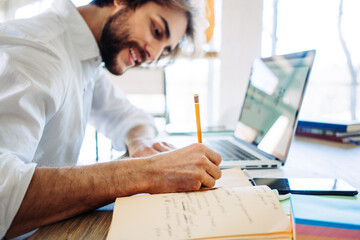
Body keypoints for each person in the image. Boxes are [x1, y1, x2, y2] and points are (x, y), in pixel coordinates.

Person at [0, 0, 222, 238]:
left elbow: (129, 117)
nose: (153, 55)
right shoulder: (38, 51)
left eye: (165, 50)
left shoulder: (85, 55)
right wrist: (148, 172)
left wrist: (142, 144)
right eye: (157, 30)